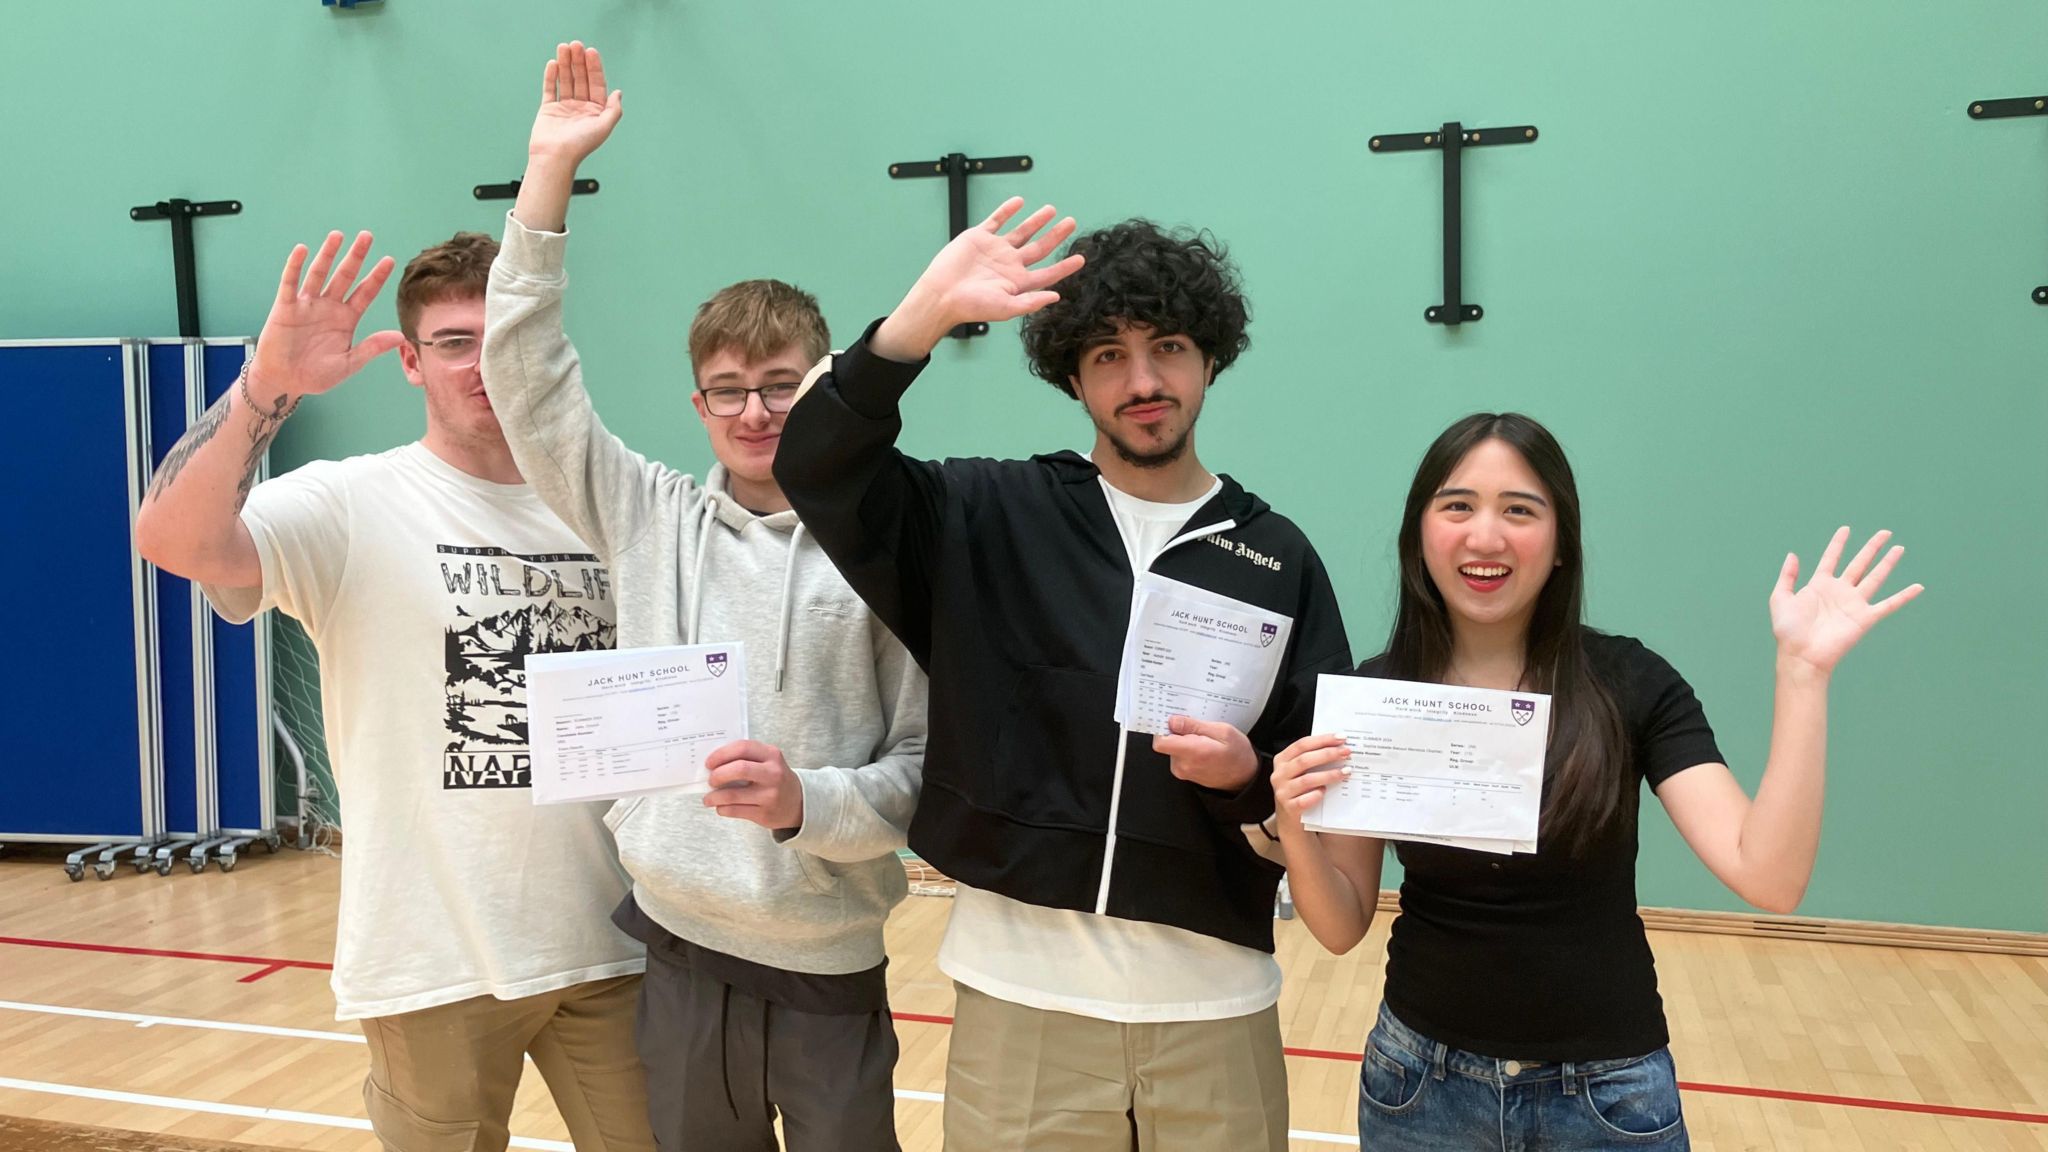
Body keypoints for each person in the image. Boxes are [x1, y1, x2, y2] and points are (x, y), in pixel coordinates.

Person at [775, 198, 1353, 1151]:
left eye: (1167, 347)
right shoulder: (984, 515)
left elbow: (1305, 782)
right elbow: (816, 463)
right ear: (1074, 379)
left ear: (1210, 357)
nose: (1142, 381)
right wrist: (918, 319)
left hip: (1215, 1006)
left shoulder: (1276, 557)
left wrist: (1247, 778)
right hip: (1019, 1002)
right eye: (1107, 358)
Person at [479, 41, 927, 1152]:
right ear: (697, 403)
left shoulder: (891, 544)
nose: (754, 410)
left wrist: (801, 806)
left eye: (781, 385)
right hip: (674, 946)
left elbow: (917, 773)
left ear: (825, 388)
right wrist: (547, 181)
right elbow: (525, 379)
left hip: (825, 958)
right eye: (728, 390)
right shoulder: (647, 514)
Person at [1267, 411, 1923, 1148]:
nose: (1486, 537)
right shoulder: (1376, 696)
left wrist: (1803, 676)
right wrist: (1296, 826)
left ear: (1559, 545)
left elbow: (1770, 877)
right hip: (1421, 1087)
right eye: (1457, 507)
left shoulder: (1630, 683)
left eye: (1520, 510)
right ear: (1420, 535)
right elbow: (1341, 924)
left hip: (1606, 1098)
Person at [134, 228, 654, 1152]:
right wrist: (268, 385)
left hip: (621, 945)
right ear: (410, 361)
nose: (483, 364)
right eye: (456, 342)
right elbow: (172, 539)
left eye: (504, 339)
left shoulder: (612, 502)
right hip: (433, 958)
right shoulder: (350, 502)